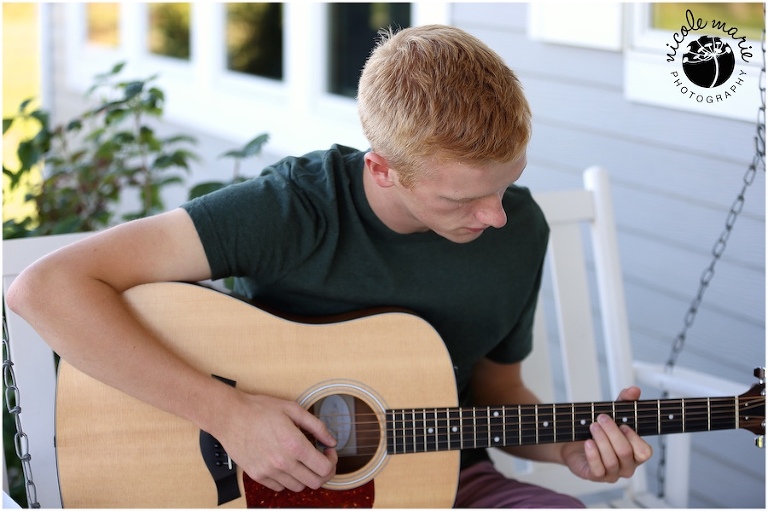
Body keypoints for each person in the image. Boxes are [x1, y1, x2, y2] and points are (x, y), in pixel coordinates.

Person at [7, 24, 652, 508]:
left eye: (505, 185)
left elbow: (499, 396)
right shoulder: (293, 210)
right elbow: (45, 288)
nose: (496, 216)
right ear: (382, 169)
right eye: (462, 200)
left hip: (444, 480)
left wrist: (568, 448)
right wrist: (228, 415)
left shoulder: (520, 231)